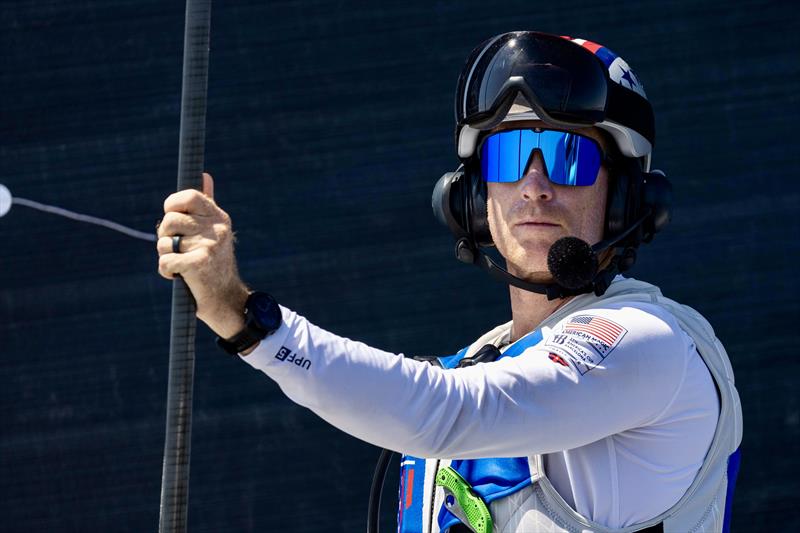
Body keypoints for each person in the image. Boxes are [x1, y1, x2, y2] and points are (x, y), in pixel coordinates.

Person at [156, 31, 742, 533]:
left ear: (625, 198)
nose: (535, 186)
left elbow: (450, 412)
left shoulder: (650, 344)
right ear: (471, 197)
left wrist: (240, 314)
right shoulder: (475, 363)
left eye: (567, 156)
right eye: (510, 156)